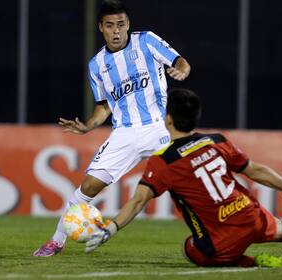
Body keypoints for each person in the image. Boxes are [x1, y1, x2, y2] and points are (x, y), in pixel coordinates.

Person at [84, 88, 282, 268]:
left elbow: (139, 200)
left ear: (167, 119)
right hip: (249, 214)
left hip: (222, 240)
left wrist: (111, 228)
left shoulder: (164, 159)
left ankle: (255, 263)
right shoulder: (216, 141)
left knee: (190, 249)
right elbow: (255, 171)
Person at [33, 0, 191, 257]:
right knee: (89, 187)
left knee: (193, 177)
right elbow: (104, 106)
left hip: (159, 129)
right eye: (110, 26)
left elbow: (181, 61)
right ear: (101, 28)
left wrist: (181, 71)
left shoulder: (147, 41)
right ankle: (56, 241)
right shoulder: (96, 65)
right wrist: (88, 126)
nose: (116, 31)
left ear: (128, 24)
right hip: (124, 133)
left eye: (120, 24)